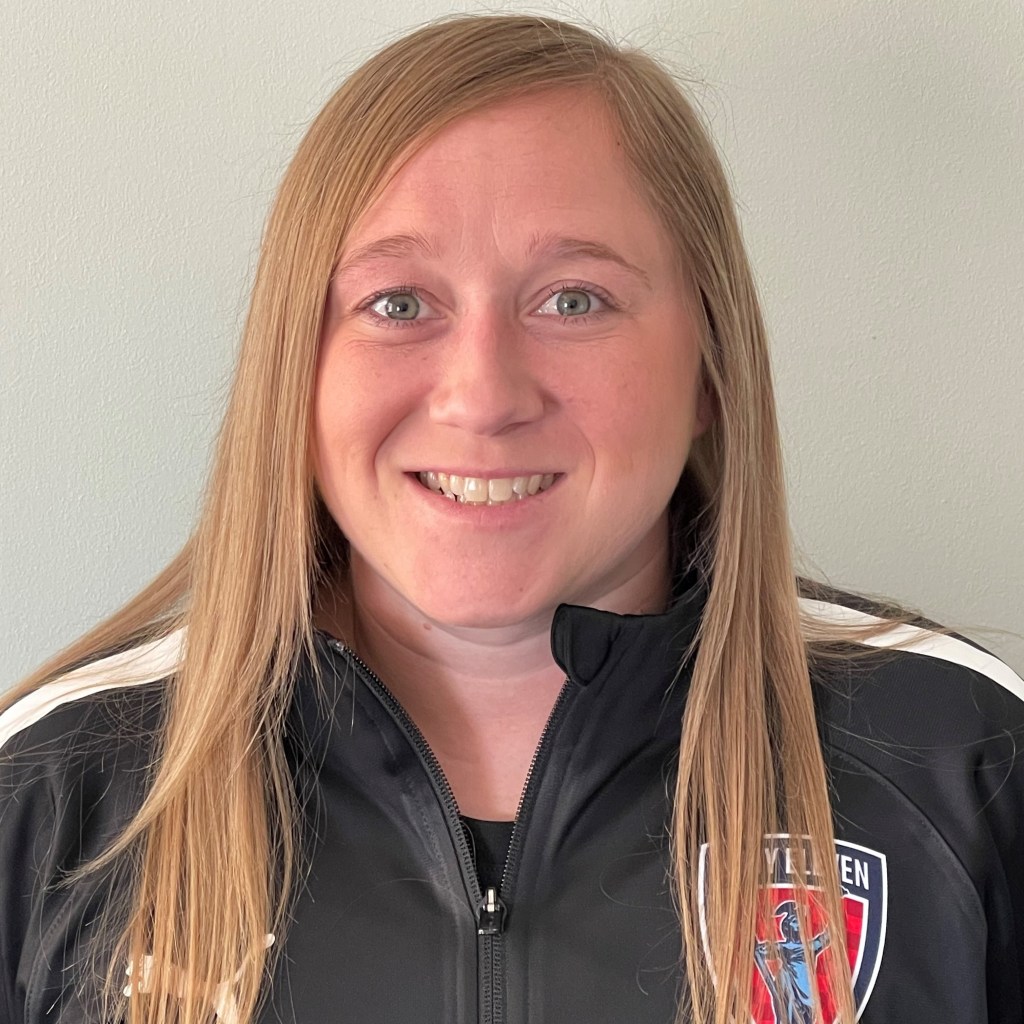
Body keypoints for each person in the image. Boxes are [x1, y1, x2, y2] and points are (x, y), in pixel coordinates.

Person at [1, 13, 1021, 1024]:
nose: (482, 397)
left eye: (574, 300)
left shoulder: (965, 760)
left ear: (710, 365)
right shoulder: (49, 795)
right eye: (399, 303)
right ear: (293, 369)